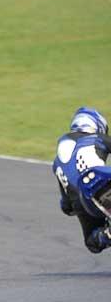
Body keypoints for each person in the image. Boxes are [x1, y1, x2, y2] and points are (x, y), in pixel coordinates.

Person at [52, 107, 111, 253]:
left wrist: (72, 207)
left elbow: (66, 206)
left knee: (92, 243)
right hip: (101, 182)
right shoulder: (98, 138)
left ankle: (107, 235)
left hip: (81, 200)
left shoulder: (57, 162)